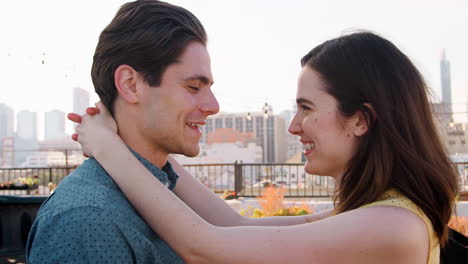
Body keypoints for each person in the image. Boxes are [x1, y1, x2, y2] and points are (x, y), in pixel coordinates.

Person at [70, 31, 459, 264]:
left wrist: (107, 148)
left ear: (360, 119)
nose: (294, 126)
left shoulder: (392, 225)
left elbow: (203, 247)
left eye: (306, 109)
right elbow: (233, 225)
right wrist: (144, 145)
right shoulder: (371, 212)